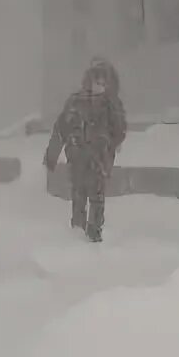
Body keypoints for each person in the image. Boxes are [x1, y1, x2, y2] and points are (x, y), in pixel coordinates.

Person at [43, 60, 127, 242]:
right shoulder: (75, 103)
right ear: (89, 81)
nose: (100, 87)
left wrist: (110, 143)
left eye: (104, 84)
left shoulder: (111, 106)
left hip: (99, 159)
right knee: (78, 195)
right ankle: (77, 233)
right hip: (78, 157)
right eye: (97, 82)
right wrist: (52, 155)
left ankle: (94, 235)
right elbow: (61, 129)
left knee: (97, 197)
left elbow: (120, 129)